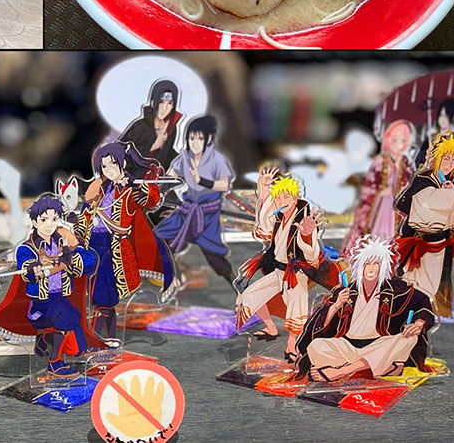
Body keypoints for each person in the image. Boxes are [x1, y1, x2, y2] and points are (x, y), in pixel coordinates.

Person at [0, 195, 107, 377]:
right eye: (44, 220)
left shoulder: (63, 243)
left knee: (77, 349)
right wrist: (32, 267)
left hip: (60, 299)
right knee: (67, 316)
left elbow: (89, 262)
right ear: (35, 221)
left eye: (54, 219)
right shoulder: (27, 248)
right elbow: (24, 263)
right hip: (40, 306)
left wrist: (74, 252)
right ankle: (54, 363)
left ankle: (46, 338)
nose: (49, 224)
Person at [296, 236, 434, 382]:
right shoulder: (345, 291)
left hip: (380, 345)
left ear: (384, 267)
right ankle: (387, 368)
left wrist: (419, 324)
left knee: (408, 338)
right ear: (359, 266)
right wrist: (336, 305)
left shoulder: (395, 290)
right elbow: (319, 326)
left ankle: (343, 371)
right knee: (316, 346)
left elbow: (422, 302)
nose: (371, 268)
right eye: (367, 263)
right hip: (348, 347)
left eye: (377, 264)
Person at [76, 142, 176, 339]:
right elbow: (86, 214)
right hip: (91, 246)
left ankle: (94, 339)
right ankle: (110, 338)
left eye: (113, 163)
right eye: (104, 166)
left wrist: (136, 186)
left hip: (112, 249)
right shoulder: (101, 188)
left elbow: (151, 200)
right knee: (101, 298)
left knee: (103, 297)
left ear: (122, 162)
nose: (109, 169)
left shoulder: (131, 189)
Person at [236, 169, 333, 362]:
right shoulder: (279, 215)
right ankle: (271, 328)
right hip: (278, 269)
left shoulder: (304, 218)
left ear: (295, 197)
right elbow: (263, 229)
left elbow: (311, 253)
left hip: (297, 272)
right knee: (248, 294)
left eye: (286, 197)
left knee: (296, 307)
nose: (281, 202)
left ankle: (292, 345)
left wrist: (307, 234)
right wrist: (264, 188)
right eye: (278, 199)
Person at [394, 132, 454, 316]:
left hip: (442, 244)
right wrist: (451, 196)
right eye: (445, 158)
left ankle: (433, 315)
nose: (449, 164)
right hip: (420, 243)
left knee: (437, 287)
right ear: (435, 157)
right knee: (415, 288)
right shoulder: (423, 179)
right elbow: (413, 203)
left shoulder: (453, 182)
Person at [155, 115, 234, 286]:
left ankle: (237, 285)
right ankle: (173, 274)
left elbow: (225, 185)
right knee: (158, 237)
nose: (195, 143)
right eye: (191, 138)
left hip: (207, 215)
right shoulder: (185, 157)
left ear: (209, 139)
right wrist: (161, 189)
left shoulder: (216, 159)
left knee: (215, 256)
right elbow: (171, 176)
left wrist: (202, 181)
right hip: (186, 211)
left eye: (199, 138)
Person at [341, 120, 415, 257]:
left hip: (396, 207)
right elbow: (370, 185)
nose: (398, 144)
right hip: (379, 206)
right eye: (395, 140)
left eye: (402, 140)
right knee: (375, 234)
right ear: (388, 140)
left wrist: (395, 190)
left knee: (393, 234)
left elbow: (409, 185)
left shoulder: (405, 163)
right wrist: (380, 193)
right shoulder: (380, 161)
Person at [118, 79, 182, 172]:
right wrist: (155, 146)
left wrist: (184, 161)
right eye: (161, 102)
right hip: (133, 179)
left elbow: (168, 153)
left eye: (169, 103)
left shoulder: (171, 129)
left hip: (156, 180)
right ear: (153, 102)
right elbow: (119, 149)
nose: (165, 108)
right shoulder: (140, 126)